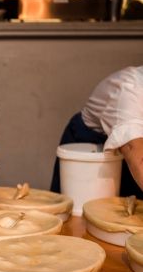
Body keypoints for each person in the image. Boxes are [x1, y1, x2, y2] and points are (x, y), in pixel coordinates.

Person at [51, 66, 143, 199]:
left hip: (134, 156)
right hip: (91, 154)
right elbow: (138, 157)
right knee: (78, 213)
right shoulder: (130, 89)